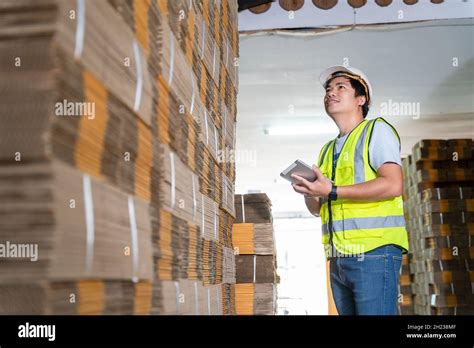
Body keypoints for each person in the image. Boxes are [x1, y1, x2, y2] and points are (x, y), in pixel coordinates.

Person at [290, 65, 409, 315]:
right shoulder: (327, 150)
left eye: (340, 87)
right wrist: (310, 192)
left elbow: (393, 184)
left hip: (374, 252)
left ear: (361, 99)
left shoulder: (376, 130)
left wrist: (332, 189)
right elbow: (318, 208)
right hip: (338, 258)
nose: (330, 93)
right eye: (328, 89)